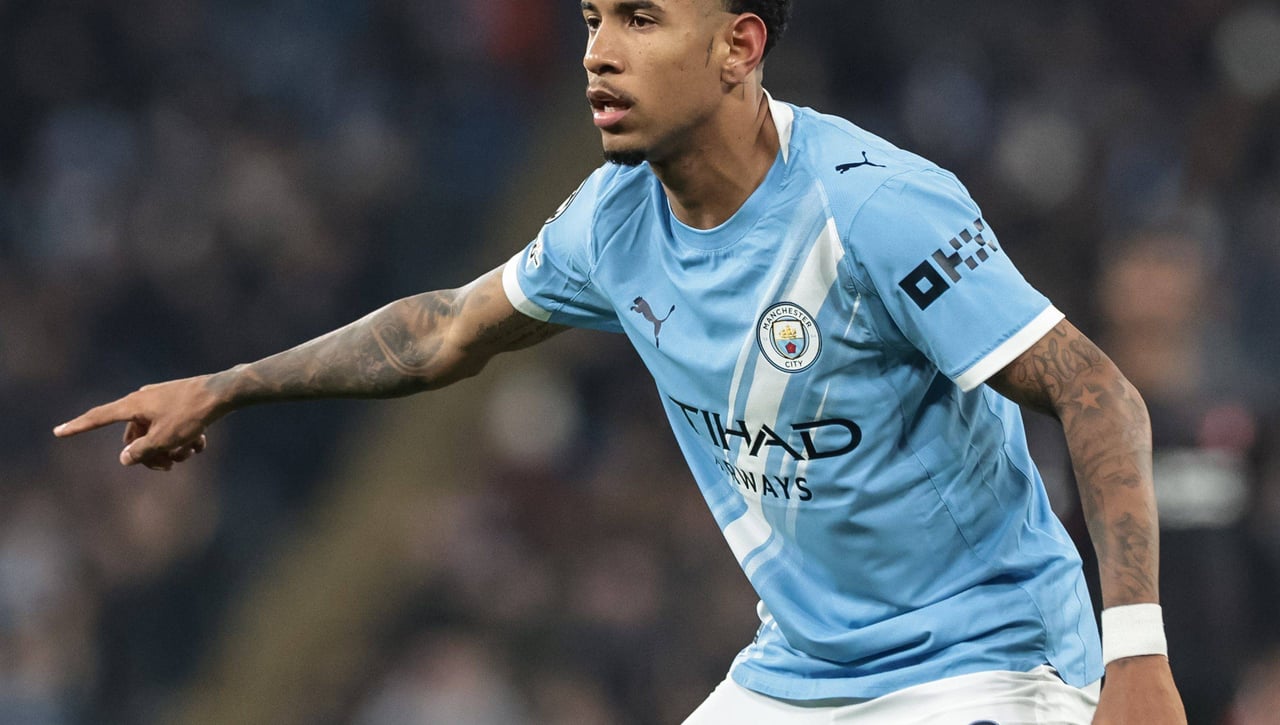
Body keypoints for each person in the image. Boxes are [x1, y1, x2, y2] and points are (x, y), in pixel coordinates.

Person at [54, 0, 1186, 722]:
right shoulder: (612, 221)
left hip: (989, 660)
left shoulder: (875, 208)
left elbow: (1096, 392)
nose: (597, 52)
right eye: (593, 17)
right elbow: (446, 329)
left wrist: (1134, 652)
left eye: (640, 18)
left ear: (739, 46)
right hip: (802, 669)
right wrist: (228, 385)